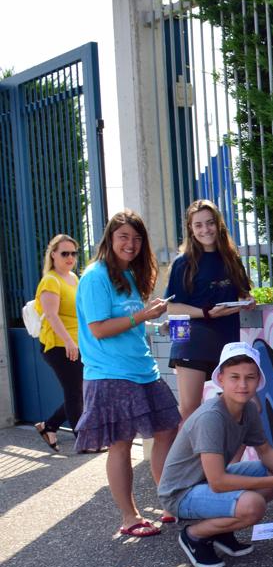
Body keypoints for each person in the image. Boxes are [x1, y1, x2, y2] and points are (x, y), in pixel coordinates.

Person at [74, 210, 181, 538]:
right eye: (123, 237)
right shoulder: (95, 276)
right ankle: (129, 517)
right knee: (121, 444)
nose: (130, 244)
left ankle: (169, 503)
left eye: (136, 238)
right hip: (110, 373)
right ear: (109, 239)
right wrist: (142, 315)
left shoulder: (130, 276)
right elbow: (100, 329)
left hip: (142, 369)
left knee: (168, 430)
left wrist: (154, 320)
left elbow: (130, 321)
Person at [158, 342, 273, 567]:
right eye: (234, 377)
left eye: (250, 377)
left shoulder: (247, 409)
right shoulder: (211, 417)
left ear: (258, 380)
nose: (243, 385)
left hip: (204, 482)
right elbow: (218, 482)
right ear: (221, 379)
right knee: (253, 506)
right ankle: (194, 535)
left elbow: (265, 450)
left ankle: (221, 530)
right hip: (181, 493)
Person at [166, 200, 255, 422]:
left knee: (238, 411)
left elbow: (243, 293)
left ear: (219, 224)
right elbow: (172, 308)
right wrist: (178, 351)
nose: (205, 229)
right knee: (190, 412)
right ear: (191, 229)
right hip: (191, 344)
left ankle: (229, 459)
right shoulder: (182, 263)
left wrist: (247, 300)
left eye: (210, 223)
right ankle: (188, 458)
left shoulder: (231, 258)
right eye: (198, 225)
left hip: (227, 345)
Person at [32, 234, 83, 453]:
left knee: (80, 391)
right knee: (74, 391)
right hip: (58, 345)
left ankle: (49, 425)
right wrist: (69, 342)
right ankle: (84, 441)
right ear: (53, 255)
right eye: (64, 253)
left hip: (76, 343)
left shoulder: (73, 277)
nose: (70, 257)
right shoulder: (50, 280)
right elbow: (52, 316)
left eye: (73, 253)